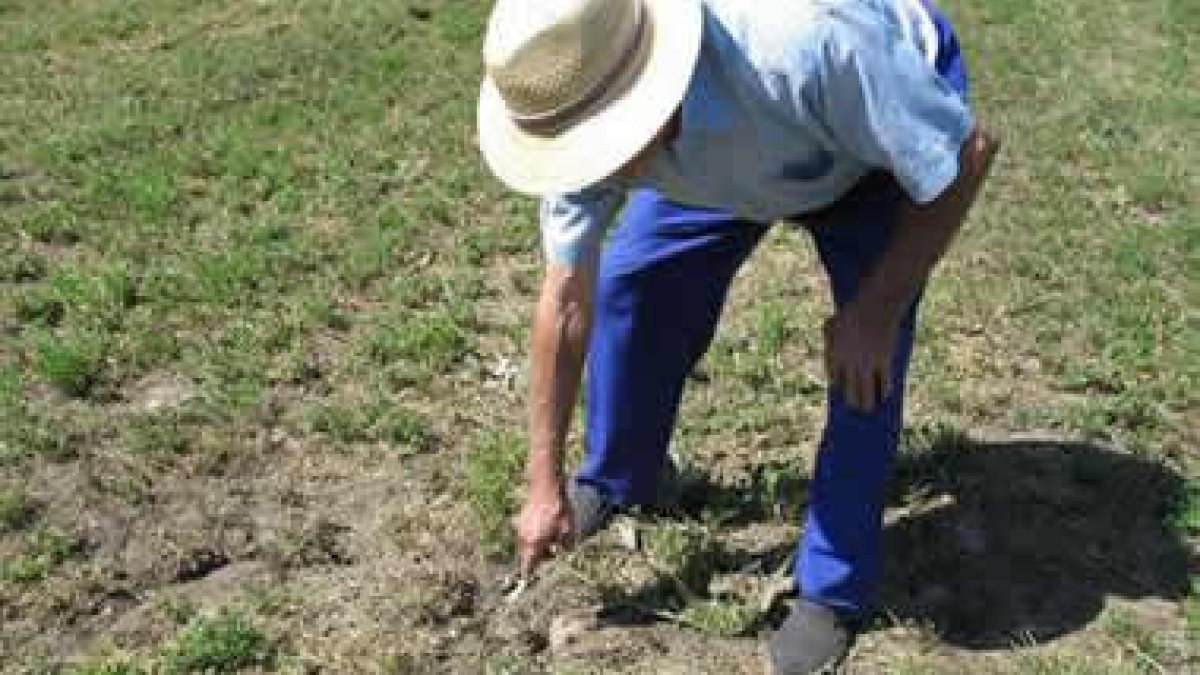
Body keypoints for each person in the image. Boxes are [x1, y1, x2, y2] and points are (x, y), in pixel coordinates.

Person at [477, 0, 999, 671]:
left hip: (869, 148)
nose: (593, 167)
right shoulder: (576, 83)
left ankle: (832, 589)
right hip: (732, 151)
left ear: (645, 91)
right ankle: (618, 475)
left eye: (601, 143)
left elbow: (966, 151)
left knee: (865, 362)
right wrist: (541, 480)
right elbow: (566, 301)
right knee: (635, 284)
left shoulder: (811, 43)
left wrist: (875, 311)